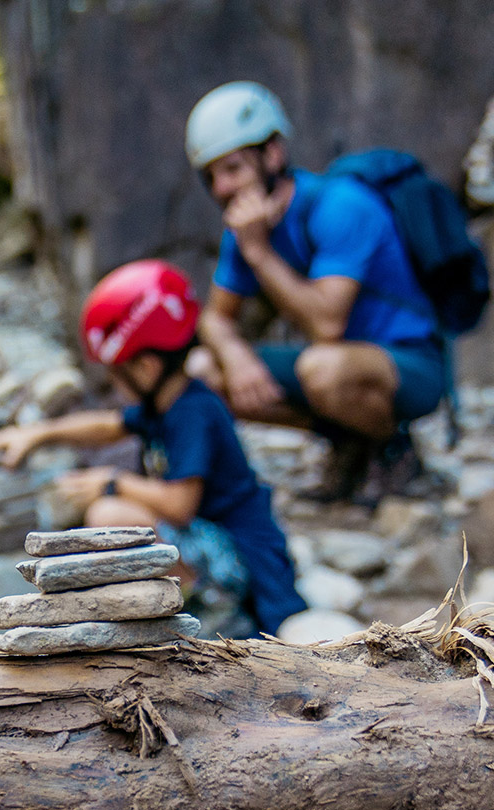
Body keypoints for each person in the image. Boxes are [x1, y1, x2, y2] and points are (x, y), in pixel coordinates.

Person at [0, 260, 307, 638]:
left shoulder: (192, 413)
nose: (115, 384)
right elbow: (108, 424)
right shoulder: (167, 405)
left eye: (117, 371)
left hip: (242, 561)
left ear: (147, 367)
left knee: (110, 513)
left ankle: (211, 611)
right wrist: (40, 434)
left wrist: (110, 481)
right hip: (221, 548)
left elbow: (180, 505)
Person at [183, 81, 448, 502]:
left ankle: (391, 446)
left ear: (272, 154)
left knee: (321, 368)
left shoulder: (341, 205)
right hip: (331, 365)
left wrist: (258, 252)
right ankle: (350, 443)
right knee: (202, 370)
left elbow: (326, 324)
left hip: (411, 362)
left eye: (233, 169)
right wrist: (236, 359)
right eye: (211, 176)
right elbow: (215, 318)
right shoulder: (248, 228)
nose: (222, 189)